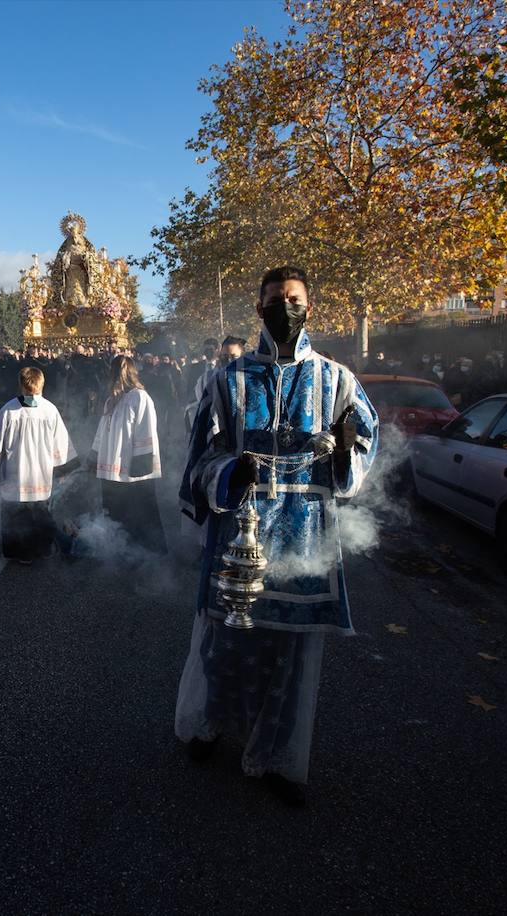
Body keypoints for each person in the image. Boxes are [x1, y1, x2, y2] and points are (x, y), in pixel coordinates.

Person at [175, 266, 378, 806]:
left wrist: (344, 447)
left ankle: (279, 757)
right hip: (238, 536)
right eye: (273, 299)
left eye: (293, 299)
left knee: (290, 654)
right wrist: (226, 474)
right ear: (258, 306)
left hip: (303, 541)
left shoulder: (336, 379)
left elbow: (366, 441)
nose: (283, 307)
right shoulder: (229, 377)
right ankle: (209, 726)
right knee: (225, 642)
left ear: (309, 307)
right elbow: (199, 455)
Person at [0, 366, 76, 564]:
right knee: (33, 514)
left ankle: (27, 552)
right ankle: (36, 550)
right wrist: (61, 470)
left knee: (23, 514)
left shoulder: (11, 409)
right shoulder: (45, 410)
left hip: (20, 472)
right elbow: (61, 444)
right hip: (34, 472)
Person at [90, 355, 166, 555]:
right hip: (111, 468)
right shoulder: (111, 400)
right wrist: (94, 456)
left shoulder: (139, 397)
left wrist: (141, 463)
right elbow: (101, 432)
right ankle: (119, 551)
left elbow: (146, 430)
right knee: (115, 511)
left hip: (134, 468)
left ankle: (146, 554)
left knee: (138, 512)